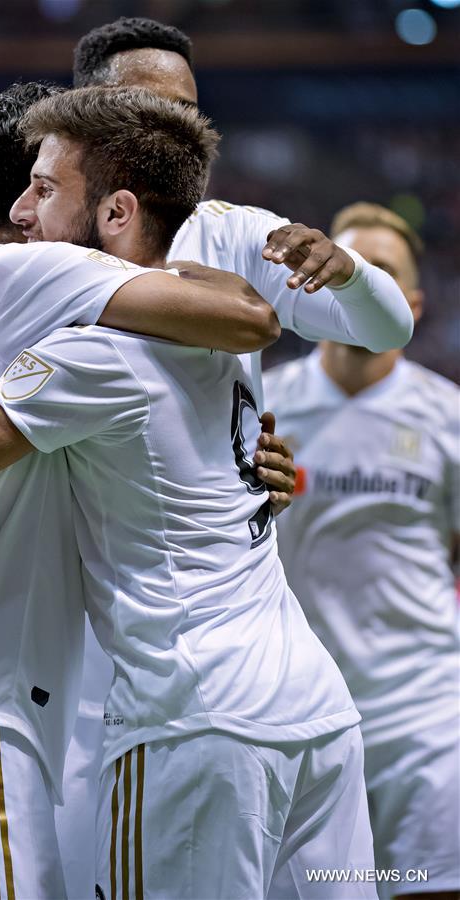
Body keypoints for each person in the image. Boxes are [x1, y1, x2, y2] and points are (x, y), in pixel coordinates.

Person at [0, 87, 382, 900]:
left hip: (193, 719)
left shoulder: (92, 358)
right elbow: (252, 340)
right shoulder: (225, 337)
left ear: (116, 211)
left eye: (44, 188)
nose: (19, 213)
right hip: (316, 713)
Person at [264, 202, 460, 900]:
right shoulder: (261, 404)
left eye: (381, 272)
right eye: (346, 265)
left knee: (426, 889)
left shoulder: (449, 417)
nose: (358, 279)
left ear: (411, 305)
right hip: (295, 713)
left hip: (424, 714)